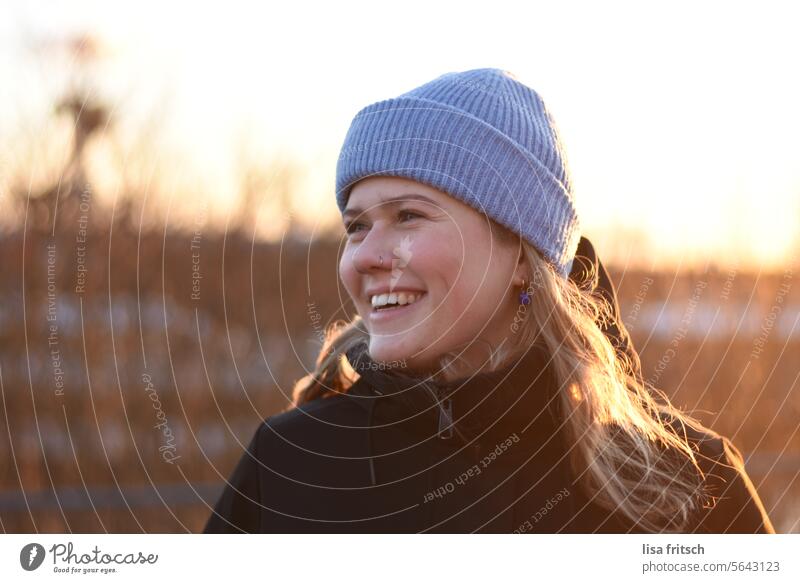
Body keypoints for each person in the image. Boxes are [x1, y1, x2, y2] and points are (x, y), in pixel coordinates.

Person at [203, 68, 774, 533]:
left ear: (522, 253)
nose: (365, 257)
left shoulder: (687, 484)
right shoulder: (292, 465)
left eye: (407, 216)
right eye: (356, 227)